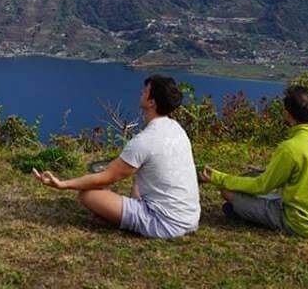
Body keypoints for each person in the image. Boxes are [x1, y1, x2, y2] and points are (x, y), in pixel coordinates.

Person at [33, 75, 201, 238]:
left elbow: (105, 178)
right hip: (190, 218)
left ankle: (123, 220)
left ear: (152, 102)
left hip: (164, 224)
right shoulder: (176, 129)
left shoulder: (145, 141)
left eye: (145, 91)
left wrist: (62, 184)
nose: (141, 92)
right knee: (138, 180)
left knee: (88, 195)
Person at [199, 85, 308, 238]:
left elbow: (261, 186)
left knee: (227, 192)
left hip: (301, 223)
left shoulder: (290, 148)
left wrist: (217, 178)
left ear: (287, 114)